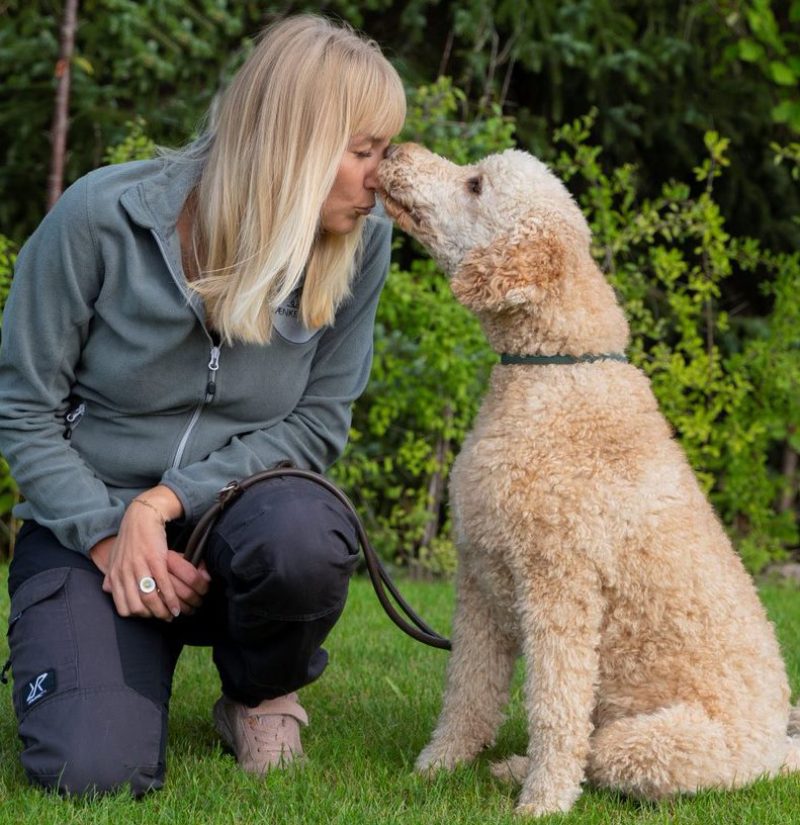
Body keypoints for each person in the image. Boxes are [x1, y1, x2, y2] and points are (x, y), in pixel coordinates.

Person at [0, 14, 405, 796]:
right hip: (90, 532)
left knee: (301, 534)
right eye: (363, 153)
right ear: (297, 143)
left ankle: (257, 691)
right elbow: (22, 407)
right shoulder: (99, 219)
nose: (378, 178)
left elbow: (318, 424)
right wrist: (108, 531)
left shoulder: (364, 242)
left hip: (238, 526)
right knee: (92, 770)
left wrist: (162, 501)